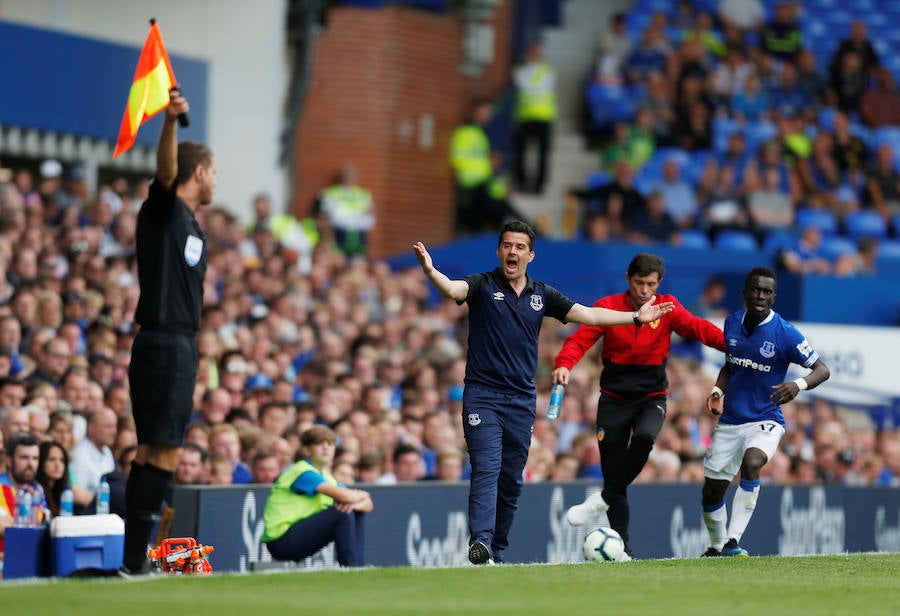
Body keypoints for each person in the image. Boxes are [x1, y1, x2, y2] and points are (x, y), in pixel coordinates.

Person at [413, 220, 674, 565]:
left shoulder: (541, 294)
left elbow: (588, 314)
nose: (513, 251)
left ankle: (497, 551)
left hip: (521, 400)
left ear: (530, 255)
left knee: (511, 480)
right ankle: (481, 542)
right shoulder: (483, 284)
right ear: (499, 250)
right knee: (487, 467)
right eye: (507, 245)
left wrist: (635, 319)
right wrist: (432, 272)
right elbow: (452, 290)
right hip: (483, 396)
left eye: (520, 247)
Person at [553, 253, 724, 558]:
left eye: (651, 284)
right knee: (615, 474)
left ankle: (602, 499)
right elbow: (579, 339)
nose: (645, 290)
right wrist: (565, 364)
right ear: (628, 279)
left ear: (659, 283)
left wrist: (733, 344)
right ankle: (623, 550)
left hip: (651, 396)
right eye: (639, 283)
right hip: (613, 399)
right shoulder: (607, 307)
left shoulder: (666, 307)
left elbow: (698, 328)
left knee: (645, 438)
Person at [122, 89, 215, 576]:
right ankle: (134, 561)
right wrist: (170, 123)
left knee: (153, 449)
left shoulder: (193, 226)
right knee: (163, 450)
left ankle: (131, 560)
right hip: (163, 342)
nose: (215, 180)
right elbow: (163, 173)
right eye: (213, 171)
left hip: (177, 344)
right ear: (198, 172)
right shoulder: (163, 212)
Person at [701, 267, 830, 557]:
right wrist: (718, 390)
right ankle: (717, 545)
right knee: (711, 492)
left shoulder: (785, 333)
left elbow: (822, 370)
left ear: (774, 296)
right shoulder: (731, 322)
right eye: (755, 290)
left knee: (753, 462)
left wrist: (797, 385)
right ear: (745, 292)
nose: (760, 296)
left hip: (766, 419)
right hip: (731, 420)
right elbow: (731, 364)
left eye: (767, 291)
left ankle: (733, 540)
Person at [262, 425, 373, 566]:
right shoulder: (301, 471)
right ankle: (351, 567)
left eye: (330, 444)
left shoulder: (326, 477)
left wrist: (355, 504)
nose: (326, 448)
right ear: (307, 450)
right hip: (281, 540)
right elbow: (346, 497)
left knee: (353, 510)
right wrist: (356, 498)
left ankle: (359, 567)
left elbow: (368, 504)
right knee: (342, 513)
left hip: (297, 537)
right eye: (319, 444)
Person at [450, 100, 525, 235]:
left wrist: (502, 189)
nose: (487, 116)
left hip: (481, 186)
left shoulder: (480, 134)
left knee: (500, 214)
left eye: (489, 113)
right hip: (471, 188)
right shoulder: (466, 133)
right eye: (484, 112)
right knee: (485, 222)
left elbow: (487, 171)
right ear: (475, 112)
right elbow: (459, 159)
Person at [512, 42, 557, 195]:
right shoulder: (520, 70)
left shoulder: (547, 71)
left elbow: (535, 88)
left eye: (536, 53)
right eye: (531, 53)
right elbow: (523, 85)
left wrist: (529, 82)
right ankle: (521, 183)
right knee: (520, 153)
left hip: (544, 118)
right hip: (524, 118)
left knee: (543, 155)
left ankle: (539, 186)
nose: (533, 56)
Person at [313, 163, 374, 257]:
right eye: (346, 174)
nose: (349, 177)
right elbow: (325, 218)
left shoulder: (363, 194)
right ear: (341, 176)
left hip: (359, 236)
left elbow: (370, 218)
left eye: (352, 174)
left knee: (357, 264)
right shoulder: (330, 193)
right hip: (337, 234)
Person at [36, 440, 74, 517]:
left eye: (62, 460)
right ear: (41, 462)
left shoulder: (64, 492)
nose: (57, 465)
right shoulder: (36, 490)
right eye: (52, 459)